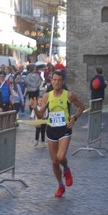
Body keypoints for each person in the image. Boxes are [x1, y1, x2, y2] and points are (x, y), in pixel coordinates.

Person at [28, 70, 85, 198]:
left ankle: (66, 168)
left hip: (64, 129)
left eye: (59, 80)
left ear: (62, 82)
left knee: (60, 158)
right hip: (51, 130)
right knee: (54, 162)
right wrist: (34, 108)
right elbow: (41, 115)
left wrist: (74, 118)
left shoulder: (69, 95)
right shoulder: (47, 96)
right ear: (51, 81)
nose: (56, 82)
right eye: (54, 80)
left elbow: (81, 107)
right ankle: (60, 185)